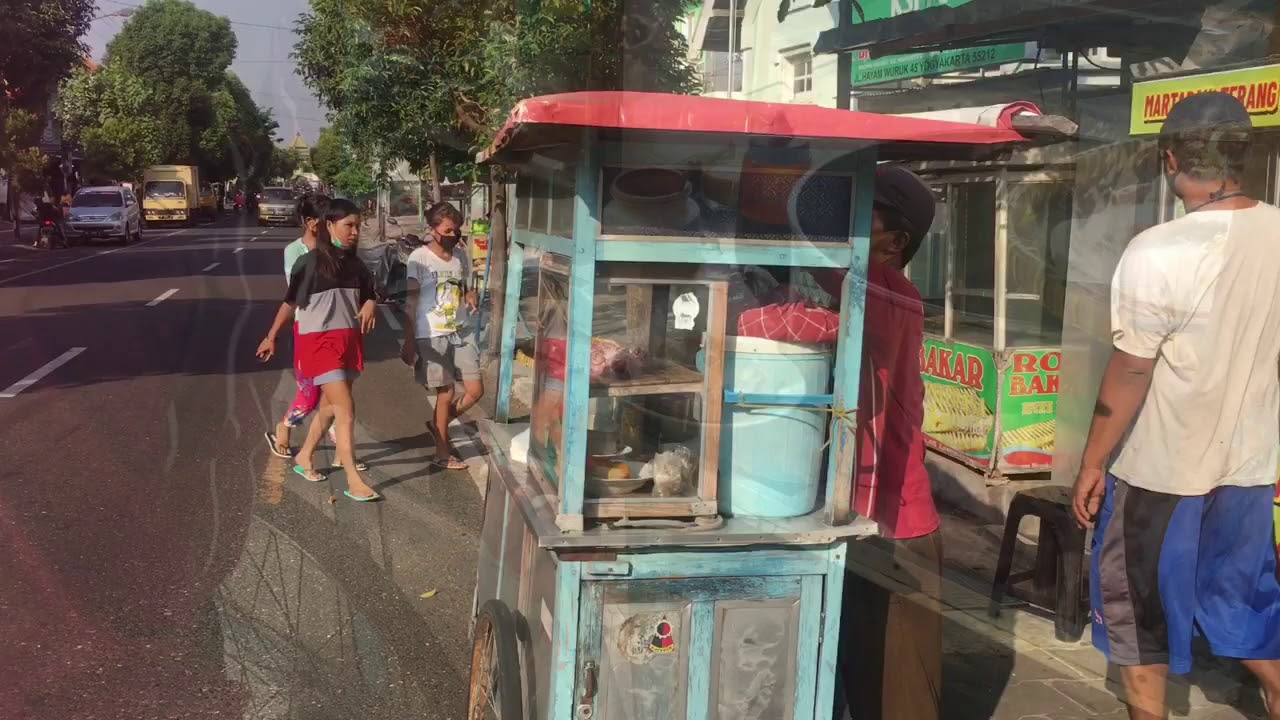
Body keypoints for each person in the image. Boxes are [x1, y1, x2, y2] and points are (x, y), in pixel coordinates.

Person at [1072, 92, 1280, 720]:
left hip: (1161, 475)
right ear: (1241, 156)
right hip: (1247, 471)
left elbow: (1132, 369)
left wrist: (1090, 464)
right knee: (1245, 605)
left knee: (1140, 618)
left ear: (1170, 158)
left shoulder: (1158, 249)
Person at [815, 166, 942, 720]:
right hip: (860, 507)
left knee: (899, 691)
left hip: (894, 517)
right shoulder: (865, 284)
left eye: (859, 215)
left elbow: (820, 276)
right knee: (858, 674)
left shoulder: (890, 292)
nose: (840, 229)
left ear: (895, 241)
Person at [256, 198, 381, 501]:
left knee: (328, 408)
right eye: (349, 225)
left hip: (348, 342)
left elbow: (371, 293)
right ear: (329, 225)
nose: (355, 232)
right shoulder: (308, 263)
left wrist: (370, 303)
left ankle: (305, 456)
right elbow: (289, 303)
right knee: (345, 408)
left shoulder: (356, 265)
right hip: (319, 343)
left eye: (358, 226)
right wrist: (272, 335)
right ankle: (353, 479)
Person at [399, 202, 481, 470]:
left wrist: (471, 295)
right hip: (431, 334)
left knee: (475, 390)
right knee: (446, 392)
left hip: (461, 330)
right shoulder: (419, 259)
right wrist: (409, 339)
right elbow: (411, 300)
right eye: (448, 229)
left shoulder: (460, 255)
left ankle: (439, 425)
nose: (453, 235)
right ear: (433, 230)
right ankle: (442, 452)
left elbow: (465, 286)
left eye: (456, 230)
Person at [264, 194, 330, 458]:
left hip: (337, 331)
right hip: (308, 331)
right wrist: (273, 335)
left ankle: (343, 453)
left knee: (339, 393)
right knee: (310, 394)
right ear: (311, 222)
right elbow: (295, 296)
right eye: (329, 220)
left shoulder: (337, 248)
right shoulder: (295, 252)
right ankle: (284, 426)